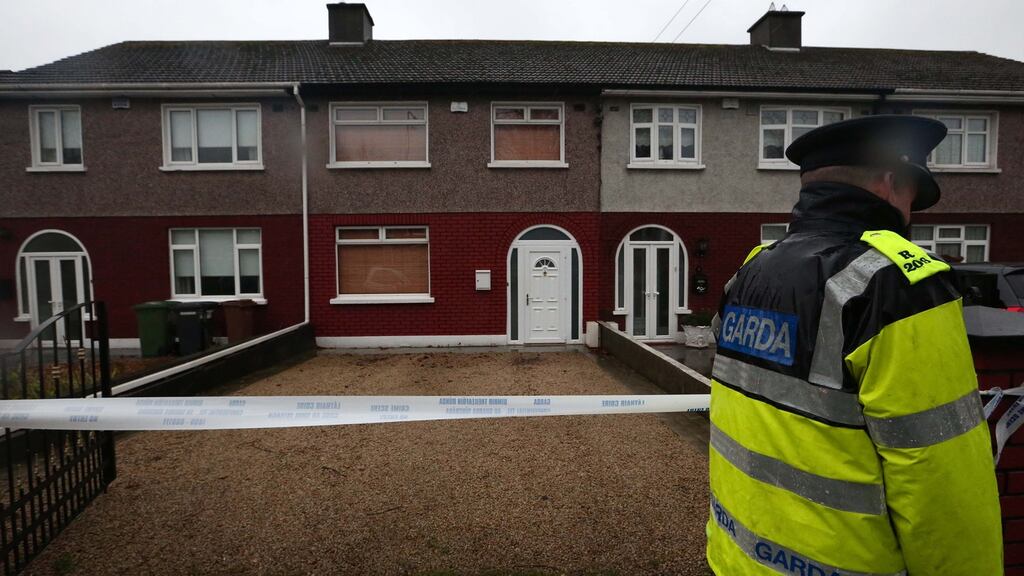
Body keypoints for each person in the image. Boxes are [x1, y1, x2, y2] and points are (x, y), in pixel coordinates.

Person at [706, 115, 1003, 575]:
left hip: (738, 557)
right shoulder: (899, 287)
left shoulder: (749, 273)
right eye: (911, 197)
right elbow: (942, 482)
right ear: (890, 182)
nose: (910, 214)